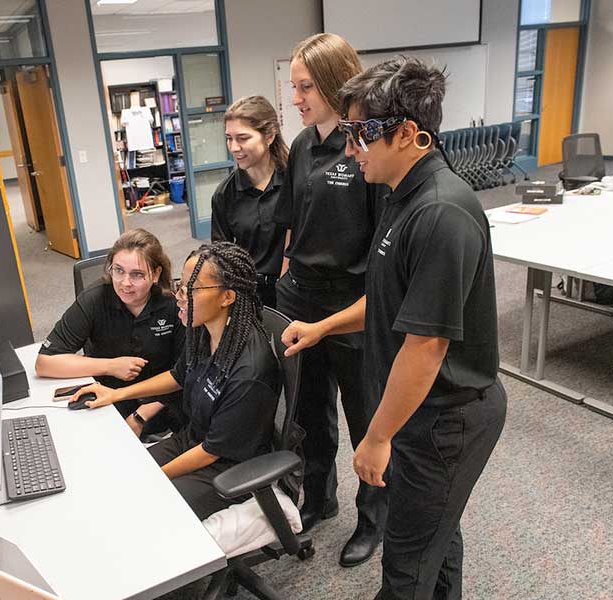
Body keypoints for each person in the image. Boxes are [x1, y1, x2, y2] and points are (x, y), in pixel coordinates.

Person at [282, 57, 507, 599]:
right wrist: (321, 327)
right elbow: (385, 299)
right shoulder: (400, 196)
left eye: (361, 133)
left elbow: (426, 347)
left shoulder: (441, 214)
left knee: (404, 569)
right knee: (437, 537)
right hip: (419, 409)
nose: (351, 146)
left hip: (444, 420)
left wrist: (376, 438)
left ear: (408, 133)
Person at [274, 32, 386, 567]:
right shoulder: (300, 146)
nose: (295, 98)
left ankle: (374, 519)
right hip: (302, 302)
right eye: (293, 87)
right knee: (311, 414)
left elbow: (385, 239)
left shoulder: (364, 144)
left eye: (304, 87)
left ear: (336, 84)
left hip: (353, 308)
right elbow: (295, 226)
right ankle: (319, 497)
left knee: (366, 419)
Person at [69, 242, 281, 520]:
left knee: (138, 506)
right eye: (181, 285)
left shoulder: (248, 372)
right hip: (191, 439)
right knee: (117, 474)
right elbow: (177, 376)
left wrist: (152, 477)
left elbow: (211, 452)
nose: (179, 296)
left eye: (190, 290)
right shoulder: (204, 331)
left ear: (227, 297)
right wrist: (115, 394)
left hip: (228, 469)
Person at [35, 229, 184, 437]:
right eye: (118, 270)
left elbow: (185, 373)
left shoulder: (175, 305)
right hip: (105, 400)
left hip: (160, 405)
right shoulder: (95, 299)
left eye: (137, 274)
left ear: (156, 274)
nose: (125, 283)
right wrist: (111, 366)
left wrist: (139, 417)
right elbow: (45, 363)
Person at [212, 95, 289, 308]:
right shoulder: (224, 195)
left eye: (243, 138)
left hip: (295, 293)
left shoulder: (295, 180)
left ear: (269, 136)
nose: (234, 147)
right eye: (229, 138)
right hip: (249, 296)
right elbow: (222, 257)